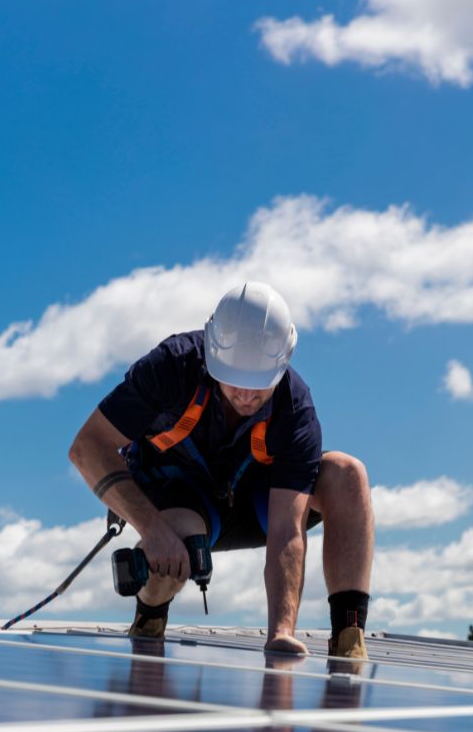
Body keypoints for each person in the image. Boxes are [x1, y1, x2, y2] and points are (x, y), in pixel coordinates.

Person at [69, 282, 374, 658]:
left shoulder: (295, 408)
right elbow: (87, 447)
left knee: (348, 474)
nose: (246, 396)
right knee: (180, 534)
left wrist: (281, 632)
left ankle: (349, 637)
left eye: (259, 386)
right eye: (235, 381)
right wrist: (152, 528)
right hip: (180, 497)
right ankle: (150, 616)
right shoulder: (172, 366)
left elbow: (286, 531)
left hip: (258, 504)